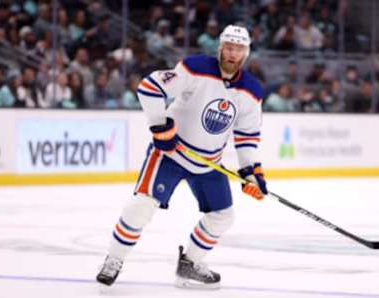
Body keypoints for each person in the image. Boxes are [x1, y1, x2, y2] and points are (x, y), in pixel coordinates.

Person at [96, 25, 267, 289]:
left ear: (246, 53)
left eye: (239, 49)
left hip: (208, 163)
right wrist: (160, 126)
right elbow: (149, 87)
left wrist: (250, 172)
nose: (233, 53)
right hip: (171, 155)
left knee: (223, 215)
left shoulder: (251, 91)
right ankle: (114, 259)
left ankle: (189, 263)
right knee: (141, 206)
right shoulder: (195, 67)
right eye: (229, 47)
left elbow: (246, 136)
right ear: (220, 48)